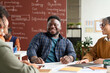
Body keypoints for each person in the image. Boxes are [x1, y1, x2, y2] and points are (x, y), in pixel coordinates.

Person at [0, 5, 39, 73]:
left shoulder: (63, 40)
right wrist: (33, 68)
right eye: (4, 27)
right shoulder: (2, 47)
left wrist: (16, 63)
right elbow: (26, 71)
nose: (5, 32)